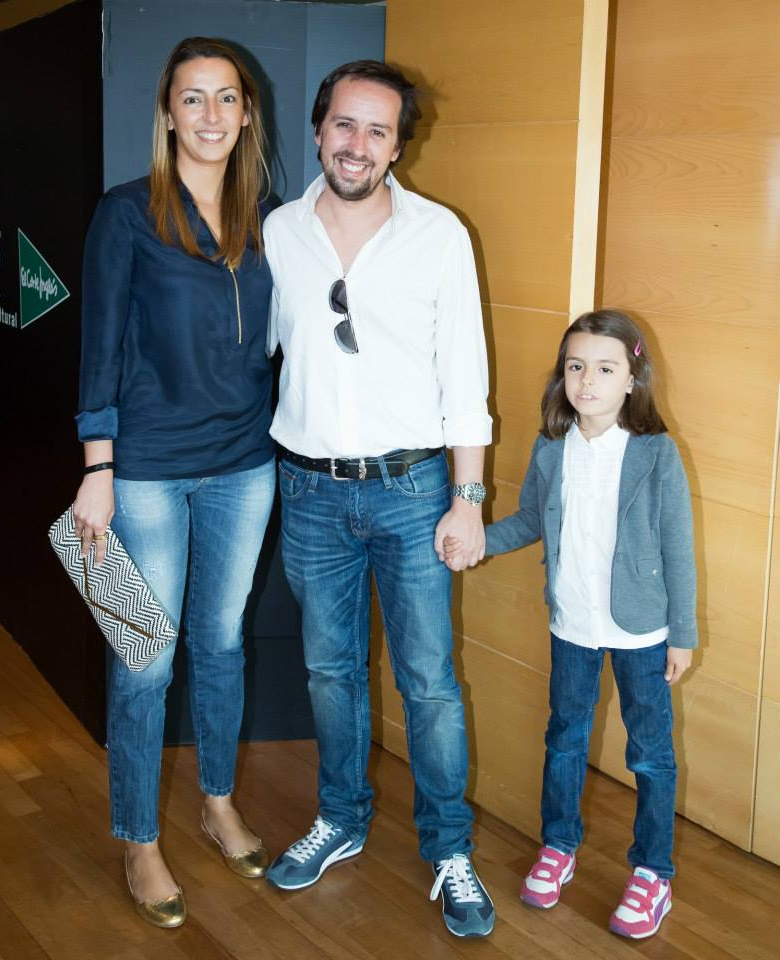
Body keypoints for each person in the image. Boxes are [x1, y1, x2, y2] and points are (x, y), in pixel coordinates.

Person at [262, 60, 495, 939]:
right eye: (344, 124)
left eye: (377, 130)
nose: (356, 144)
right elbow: (260, 353)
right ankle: (342, 819)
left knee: (428, 683)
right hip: (308, 490)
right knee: (330, 673)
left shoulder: (439, 235)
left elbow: (465, 376)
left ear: (398, 146)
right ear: (319, 129)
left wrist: (466, 498)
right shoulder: (279, 232)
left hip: (412, 489)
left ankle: (449, 848)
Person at [72, 37, 276, 928]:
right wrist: (98, 468)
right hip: (146, 472)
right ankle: (139, 838)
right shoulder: (125, 213)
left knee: (222, 645)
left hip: (245, 465)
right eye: (191, 98)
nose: (210, 115)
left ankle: (217, 802)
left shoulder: (271, 219)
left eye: (225, 97)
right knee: (143, 660)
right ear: (167, 114)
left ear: (246, 113)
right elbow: (99, 348)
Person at [447, 309, 696, 940]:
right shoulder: (552, 448)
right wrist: (479, 540)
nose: (587, 381)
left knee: (651, 755)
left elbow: (678, 548)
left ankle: (653, 872)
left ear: (633, 380)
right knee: (564, 739)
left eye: (605, 369)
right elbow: (532, 520)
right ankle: (558, 845)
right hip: (573, 626)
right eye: (576, 366)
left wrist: (683, 634)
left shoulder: (656, 453)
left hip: (642, 633)